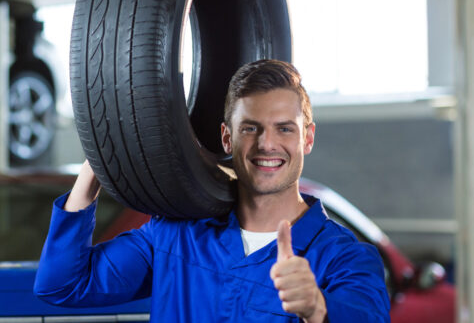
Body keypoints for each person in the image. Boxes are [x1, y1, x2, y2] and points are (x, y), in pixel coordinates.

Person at [34, 59, 390, 322]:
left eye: (284, 129)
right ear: (226, 137)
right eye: (250, 128)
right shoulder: (175, 235)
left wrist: (317, 306)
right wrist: (99, 157)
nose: (267, 144)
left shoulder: (345, 258)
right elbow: (63, 285)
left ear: (307, 138)